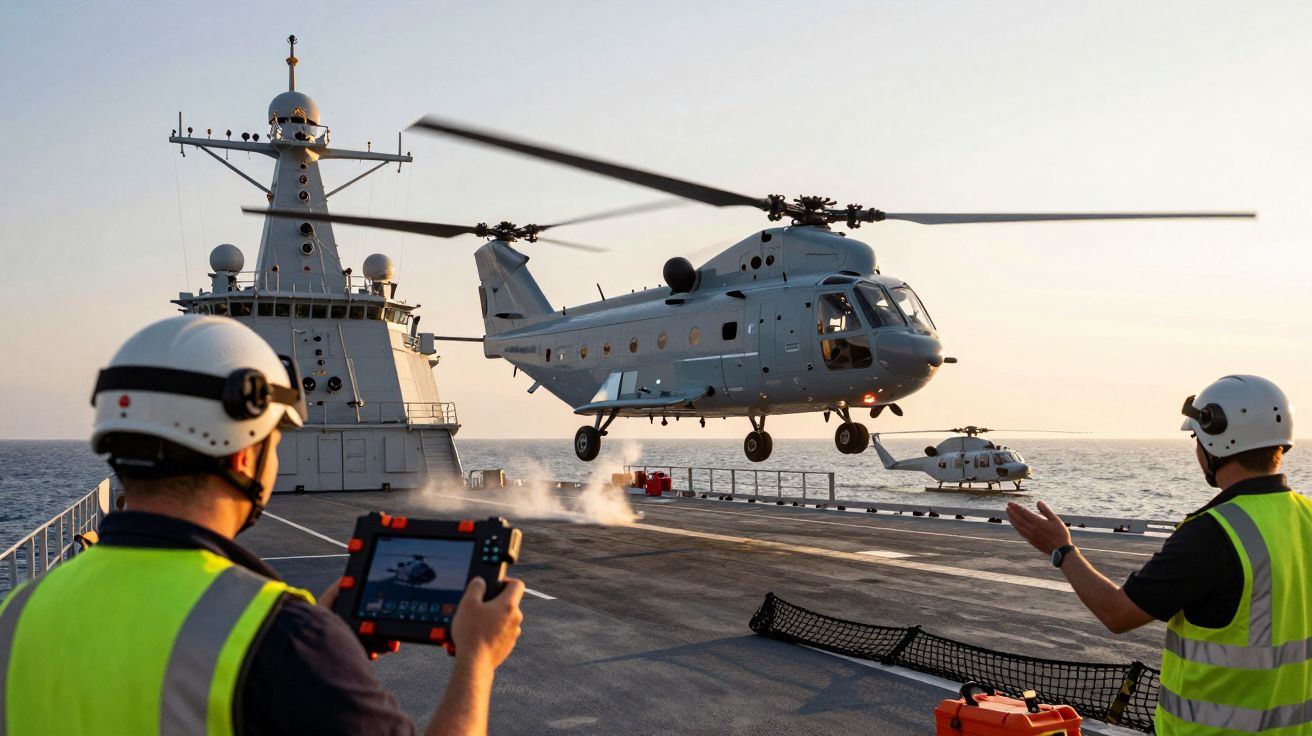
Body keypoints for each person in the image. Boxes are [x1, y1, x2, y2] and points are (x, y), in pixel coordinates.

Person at [0, 315, 524, 735]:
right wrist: (477, 658)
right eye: (275, 442)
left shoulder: (17, 611)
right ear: (243, 456)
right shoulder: (282, 637)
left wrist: (319, 642)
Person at [1007, 375, 1310, 735]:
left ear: (1216, 442)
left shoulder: (1213, 533)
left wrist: (1062, 549)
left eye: (1197, 439)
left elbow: (1118, 613)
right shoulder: (1306, 516)